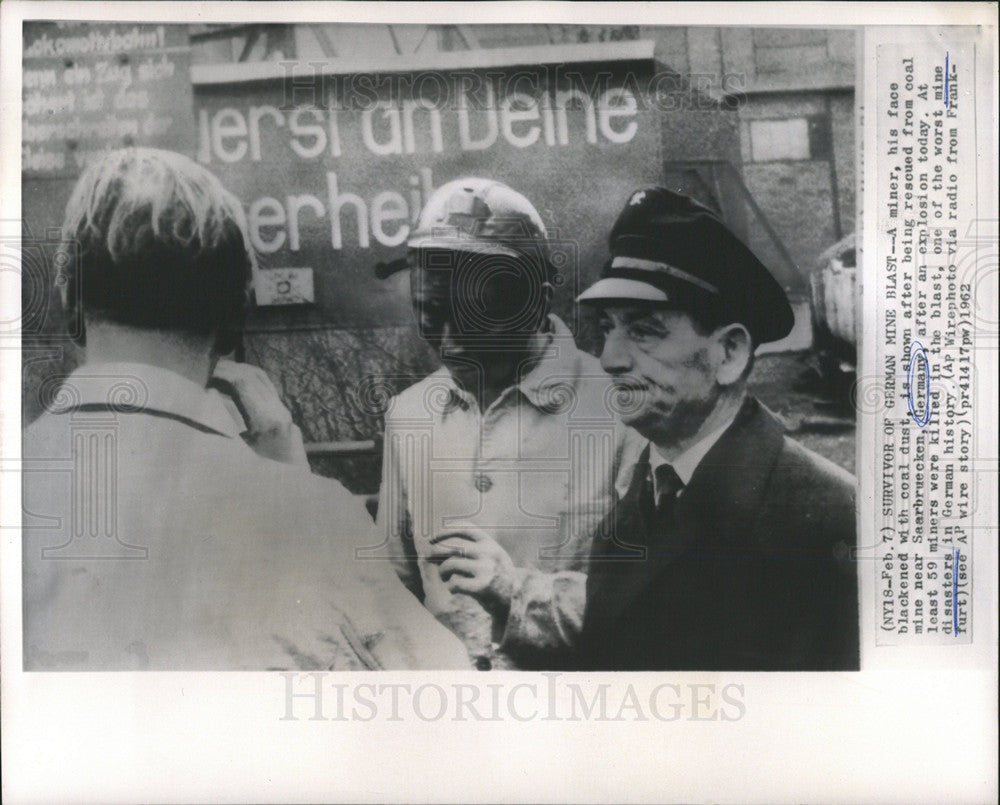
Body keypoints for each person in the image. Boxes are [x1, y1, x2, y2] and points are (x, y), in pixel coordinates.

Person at [21, 147, 469, 671]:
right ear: (233, 321)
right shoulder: (312, 521)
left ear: (71, 308)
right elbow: (449, 704)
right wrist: (292, 485)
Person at [575, 187, 859, 671]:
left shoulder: (831, 520)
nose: (609, 358)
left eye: (643, 330)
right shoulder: (630, 511)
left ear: (728, 354)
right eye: (608, 328)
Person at [374, 178, 640, 670]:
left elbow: (648, 611)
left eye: (475, 318)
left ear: (535, 302)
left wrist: (512, 591)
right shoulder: (407, 415)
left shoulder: (622, 411)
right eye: (430, 313)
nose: (450, 343)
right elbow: (393, 595)